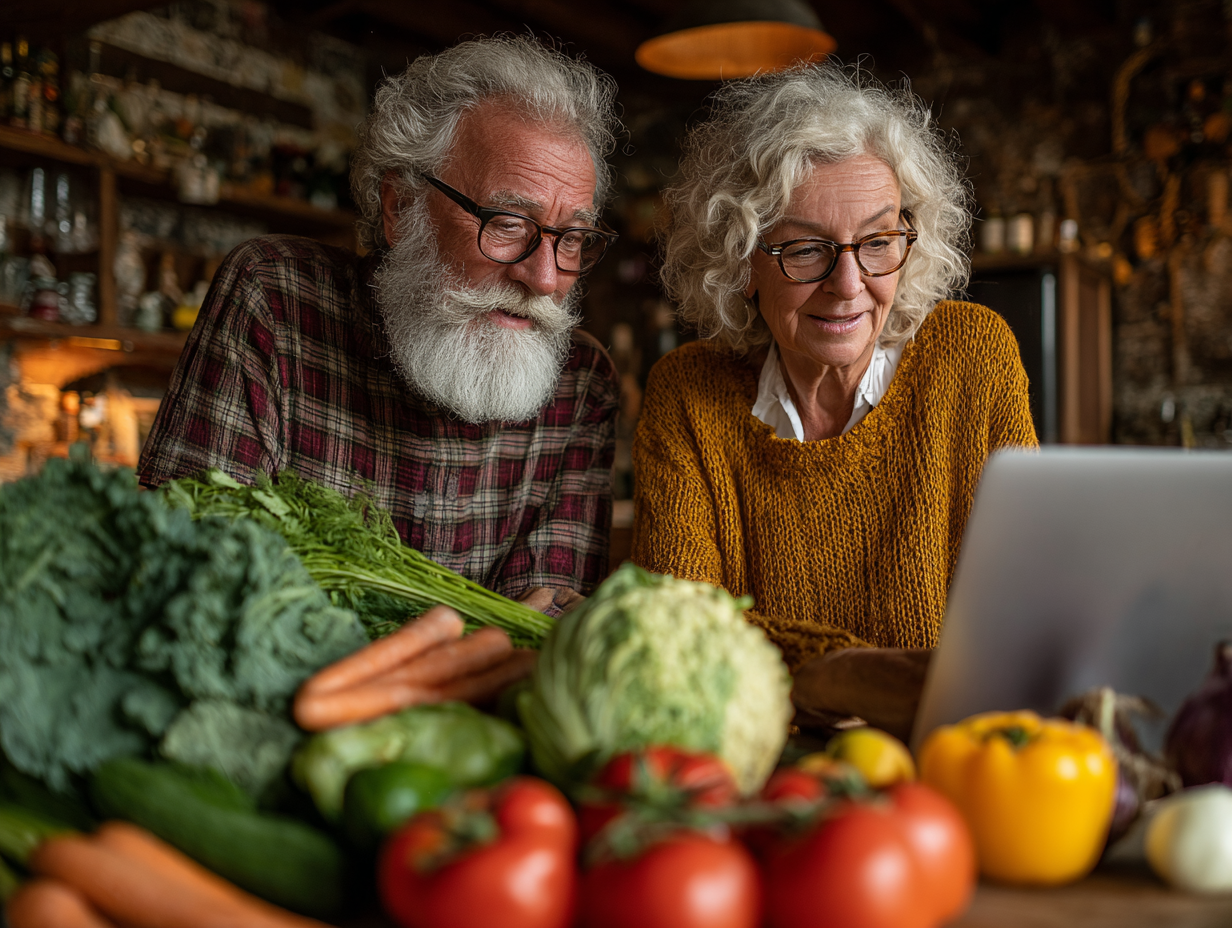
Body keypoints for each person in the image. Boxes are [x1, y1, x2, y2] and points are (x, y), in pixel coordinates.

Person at [138, 36, 623, 614]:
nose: (544, 278)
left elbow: (539, 639)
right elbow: (182, 580)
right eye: (508, 223)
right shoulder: (274, 300)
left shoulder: (581, 382)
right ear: (401, 208)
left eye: (572, 238)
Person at [632, 64, 1037, 738]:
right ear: (741, 261)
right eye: (806, 249)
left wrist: (788, 668)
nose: (849, 285)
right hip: (767, 783)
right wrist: (850, 674)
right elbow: (682, 645)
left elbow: (1027, 609)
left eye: (878, 242)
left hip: (957, 764)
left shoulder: (973, 356)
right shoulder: (687, 395)